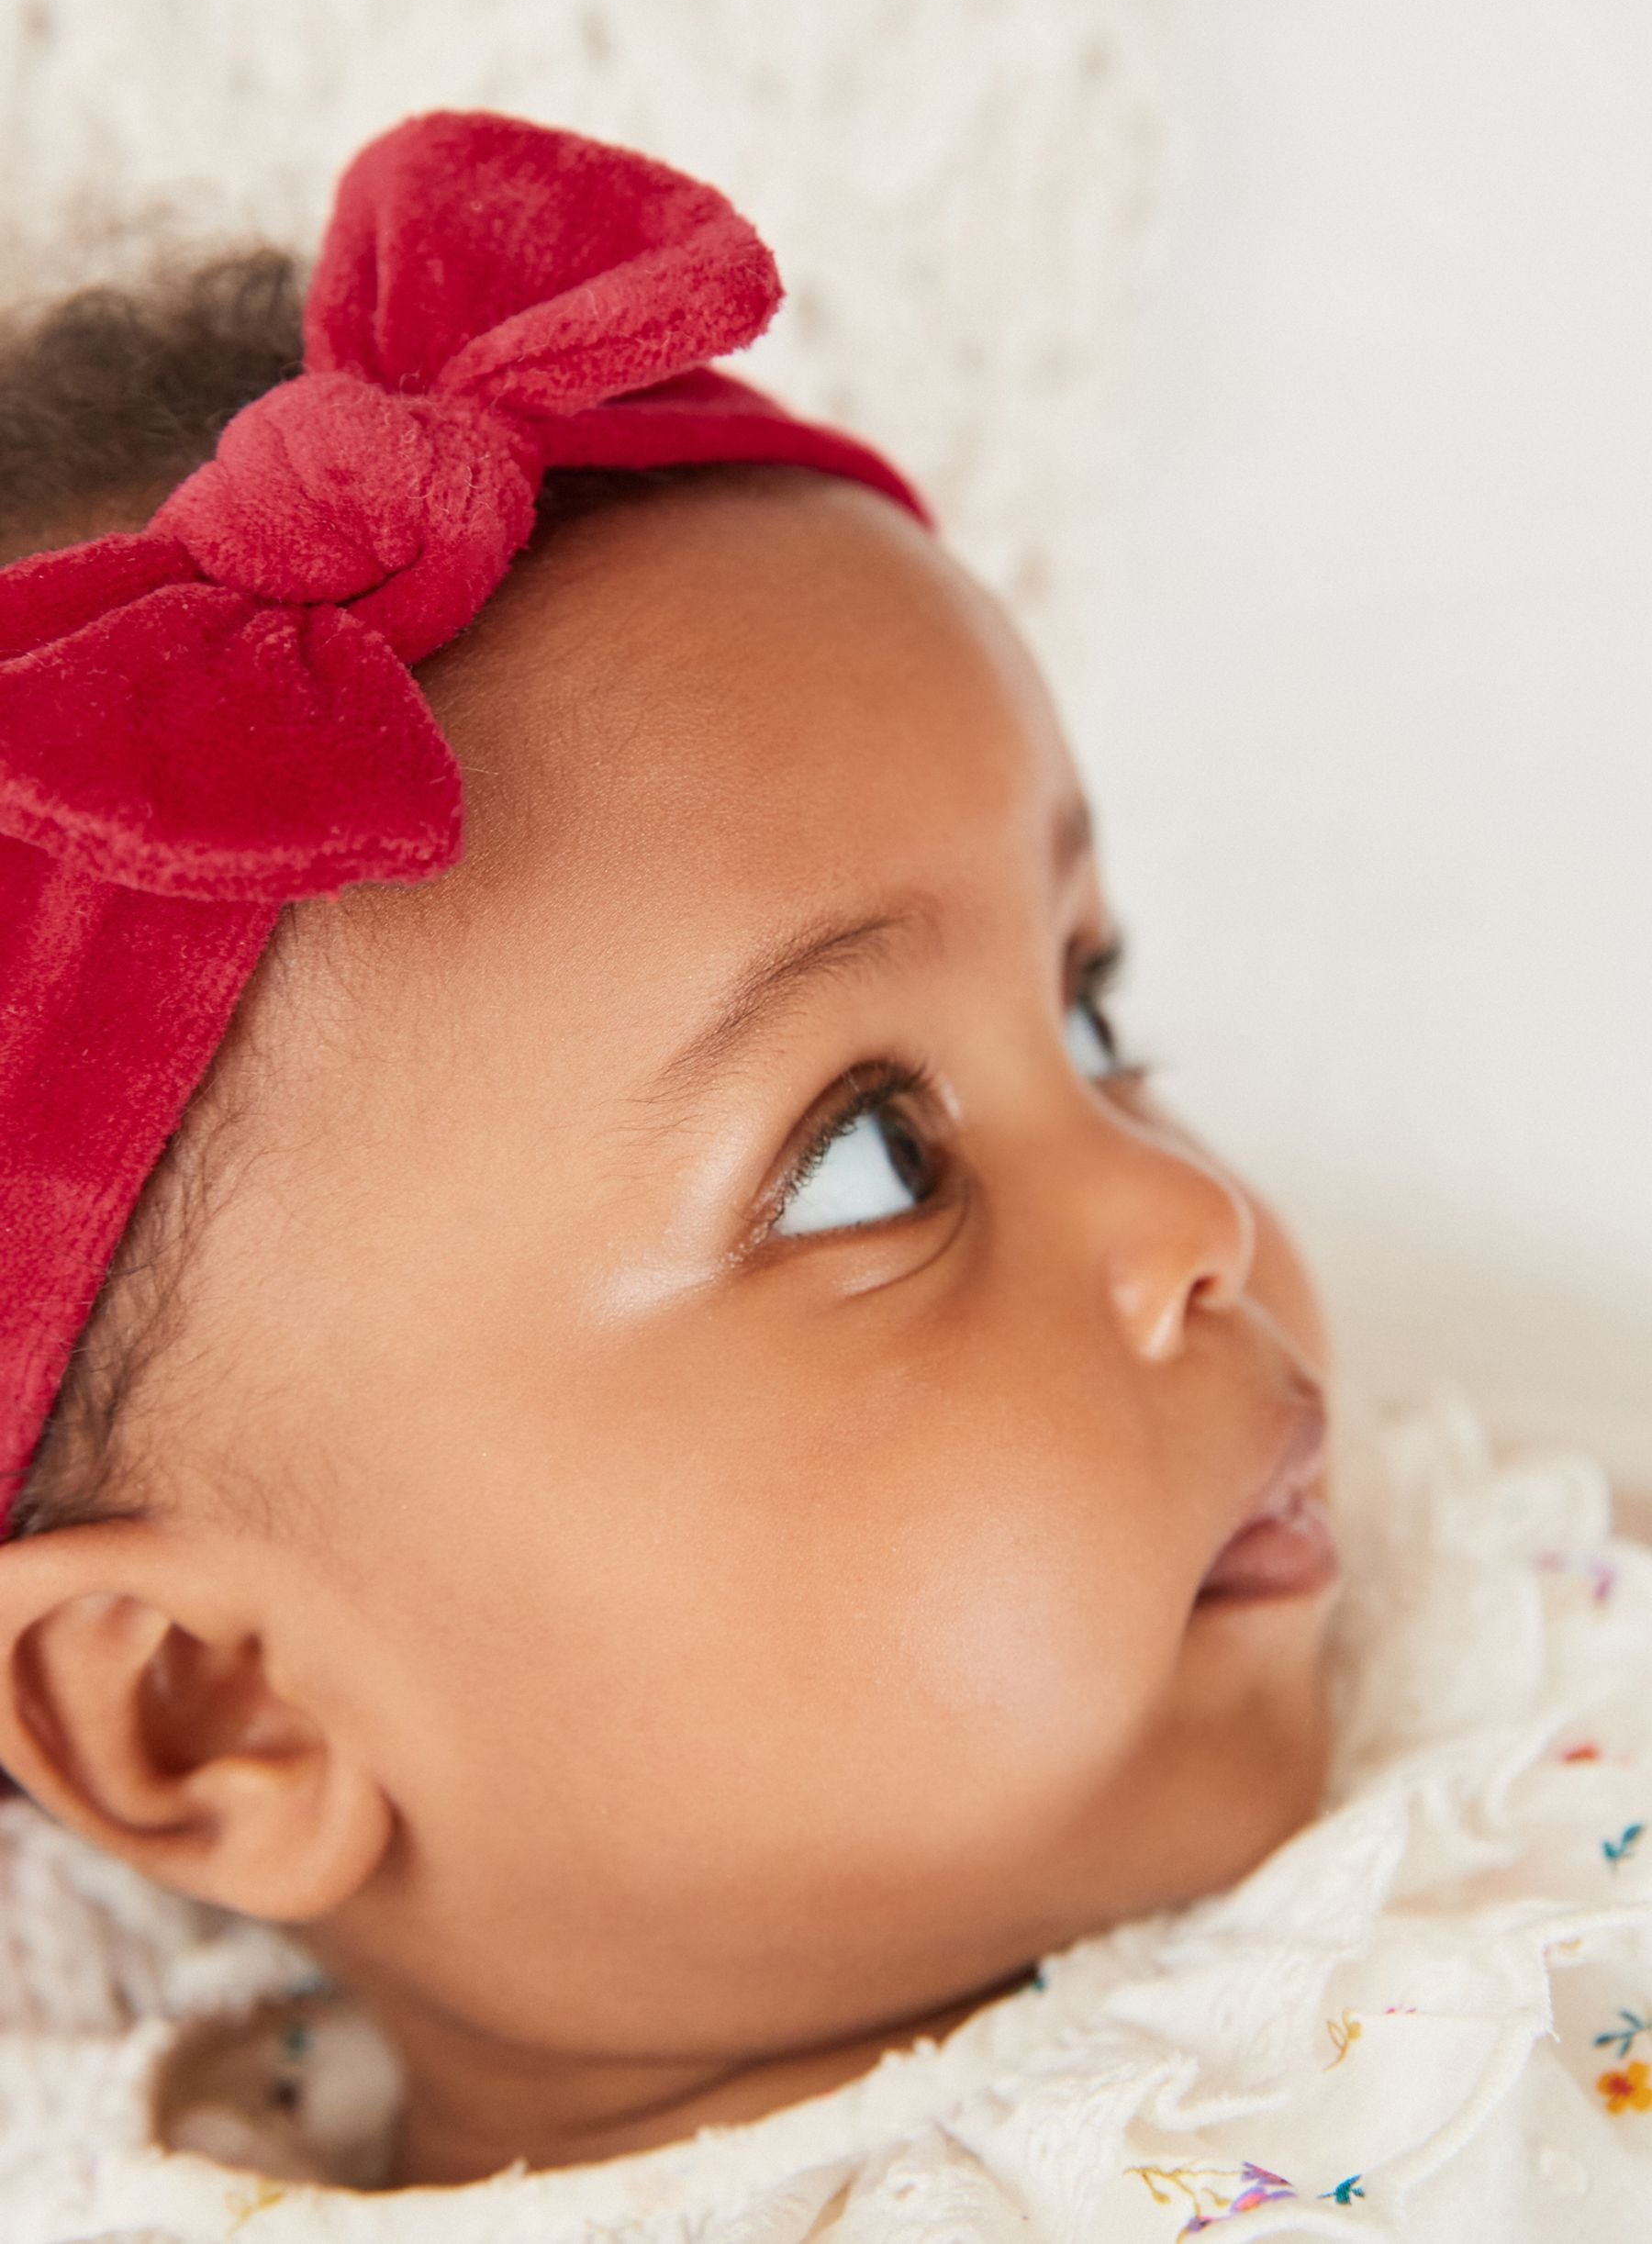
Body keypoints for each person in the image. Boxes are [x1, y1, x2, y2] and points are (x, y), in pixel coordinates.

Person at [0, 114, 1646, 2240]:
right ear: (213, 1711)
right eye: (871, 1163)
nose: (1192, 1221)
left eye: (1090, 1014)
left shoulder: (1490, 1643)